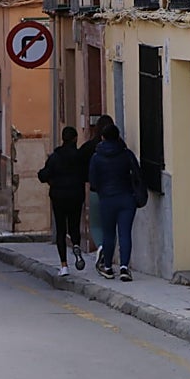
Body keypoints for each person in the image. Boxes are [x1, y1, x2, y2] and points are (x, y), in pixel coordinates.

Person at [87, 123, 141, 282]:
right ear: (118, 136)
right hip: (126, 198)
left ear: (102, 137)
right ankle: (124, 267)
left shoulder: (96, 157)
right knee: (125, 233)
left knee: (109, 234)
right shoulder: (126, 154)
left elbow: (93, 182)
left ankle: (108, 267)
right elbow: (137, 174)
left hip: (107, 200)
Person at [37, 126, 87, 276]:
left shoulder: (55, 157)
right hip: (76, 195)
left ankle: (64, 266)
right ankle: (76, 244)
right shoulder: (79, 157)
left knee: (61, 230)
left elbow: (43, 175)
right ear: (75, 139)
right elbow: (85, 175)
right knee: (74, 224)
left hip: (59, 197)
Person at [78, 114, 114, 267]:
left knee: (96, 224)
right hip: (114, 191)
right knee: (111, 226)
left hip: (95, 190)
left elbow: (79, 164)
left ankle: (100, 246)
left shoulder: (89, 148)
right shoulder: (120, 148)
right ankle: (109, 252)